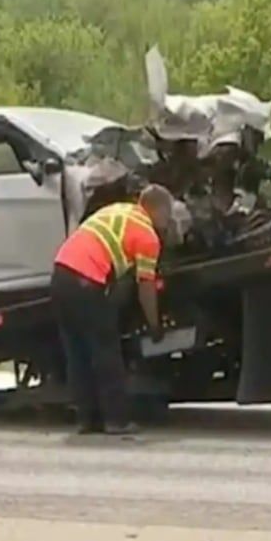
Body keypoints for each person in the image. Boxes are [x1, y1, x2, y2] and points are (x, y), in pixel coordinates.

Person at [50, 184, 174, 435]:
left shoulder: (120, 210)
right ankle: (116, 420)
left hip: (60, 274)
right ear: (157, 210)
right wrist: (154, 324)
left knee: (77, 353)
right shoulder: (147, 236)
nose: (168, 220)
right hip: (86, 280)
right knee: (105, 351)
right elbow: (145, 286)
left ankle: (87, 419)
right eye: (167, 213)